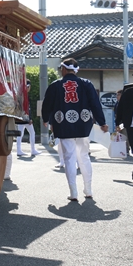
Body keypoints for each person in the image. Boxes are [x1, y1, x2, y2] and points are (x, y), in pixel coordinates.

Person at [41, 58, 108, 201]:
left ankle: (73, 192)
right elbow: (95, 104)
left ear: (64, 69)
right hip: (83, 125)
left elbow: (47, 105)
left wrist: (46, 119)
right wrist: (102, 122)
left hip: (63, 125)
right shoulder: (86, 83)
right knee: (84, 156)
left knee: (69, 158)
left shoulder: (56, 85)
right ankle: (88, 190)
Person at [16, 79, 39, 156]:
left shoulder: (20, 95)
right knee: (32, 133)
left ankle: (19, 150)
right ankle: (32, 150)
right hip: (25, 117)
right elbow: (27, 109)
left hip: (20, 117)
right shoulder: (24, 96)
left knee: (20, 134)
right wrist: (29, 118)